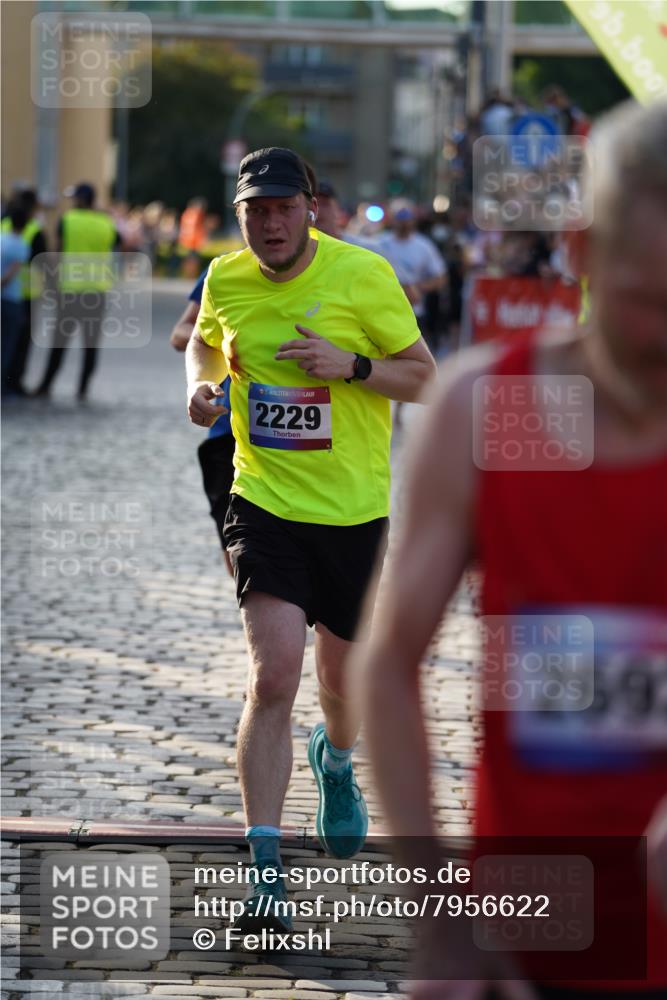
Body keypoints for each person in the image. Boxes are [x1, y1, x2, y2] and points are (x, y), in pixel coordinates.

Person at [358, 99, 667, 997]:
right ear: (581, 254)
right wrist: (435, 908)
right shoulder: (481, 411)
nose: (660, 338)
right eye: (642, 300)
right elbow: (388, 663)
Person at [185, 145, 435, 932]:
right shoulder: (225, 278)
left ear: (311, 208)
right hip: (263, 502)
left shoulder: (363, 276)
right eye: (255, 211)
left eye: (283, 208)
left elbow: (428, 376)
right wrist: (199, 382)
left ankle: (336, 760)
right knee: (273, 676)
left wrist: (350, 366)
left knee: (339, 684)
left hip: (354, 515)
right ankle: (265, 876)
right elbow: (201, 338)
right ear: (240, 216)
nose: (269, 224)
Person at [170, 268, 234, 577]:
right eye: (259, 214)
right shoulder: (225, 272)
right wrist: (220, 342)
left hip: (313, 445)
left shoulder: (353, 267)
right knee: (239, 548)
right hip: (228, 436)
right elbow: (182, 332)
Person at [33, 182, 120, 401]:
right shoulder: (106, 223)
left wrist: (51, 284)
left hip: (70, 290)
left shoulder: (68, 220)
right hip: (97, 292)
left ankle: (45, 386)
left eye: (74, 198)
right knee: (90, 345)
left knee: (59, 341)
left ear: (81, 199)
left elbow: (58, 252)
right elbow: (118, 243)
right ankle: (82, 390)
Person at [377, 200, 446, 355]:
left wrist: (418, 287)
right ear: (393, 220)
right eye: (400, 219)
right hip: (383, 310)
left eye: (407, 219)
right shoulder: (379, 242)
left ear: (413, 220)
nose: (403, 223)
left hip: (413, 311)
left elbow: (441, 277)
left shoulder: (424, 245)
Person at [1, 188, 48, 395]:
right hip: (24, 293)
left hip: (9, 291)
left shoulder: (3, 225)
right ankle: (13, 382)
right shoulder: (36, 230)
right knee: (19, 344)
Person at [1, 202, 29, 394]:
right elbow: (11, 274)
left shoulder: (1, 238)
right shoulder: (21, 245)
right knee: (7, 346)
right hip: (11, 299)